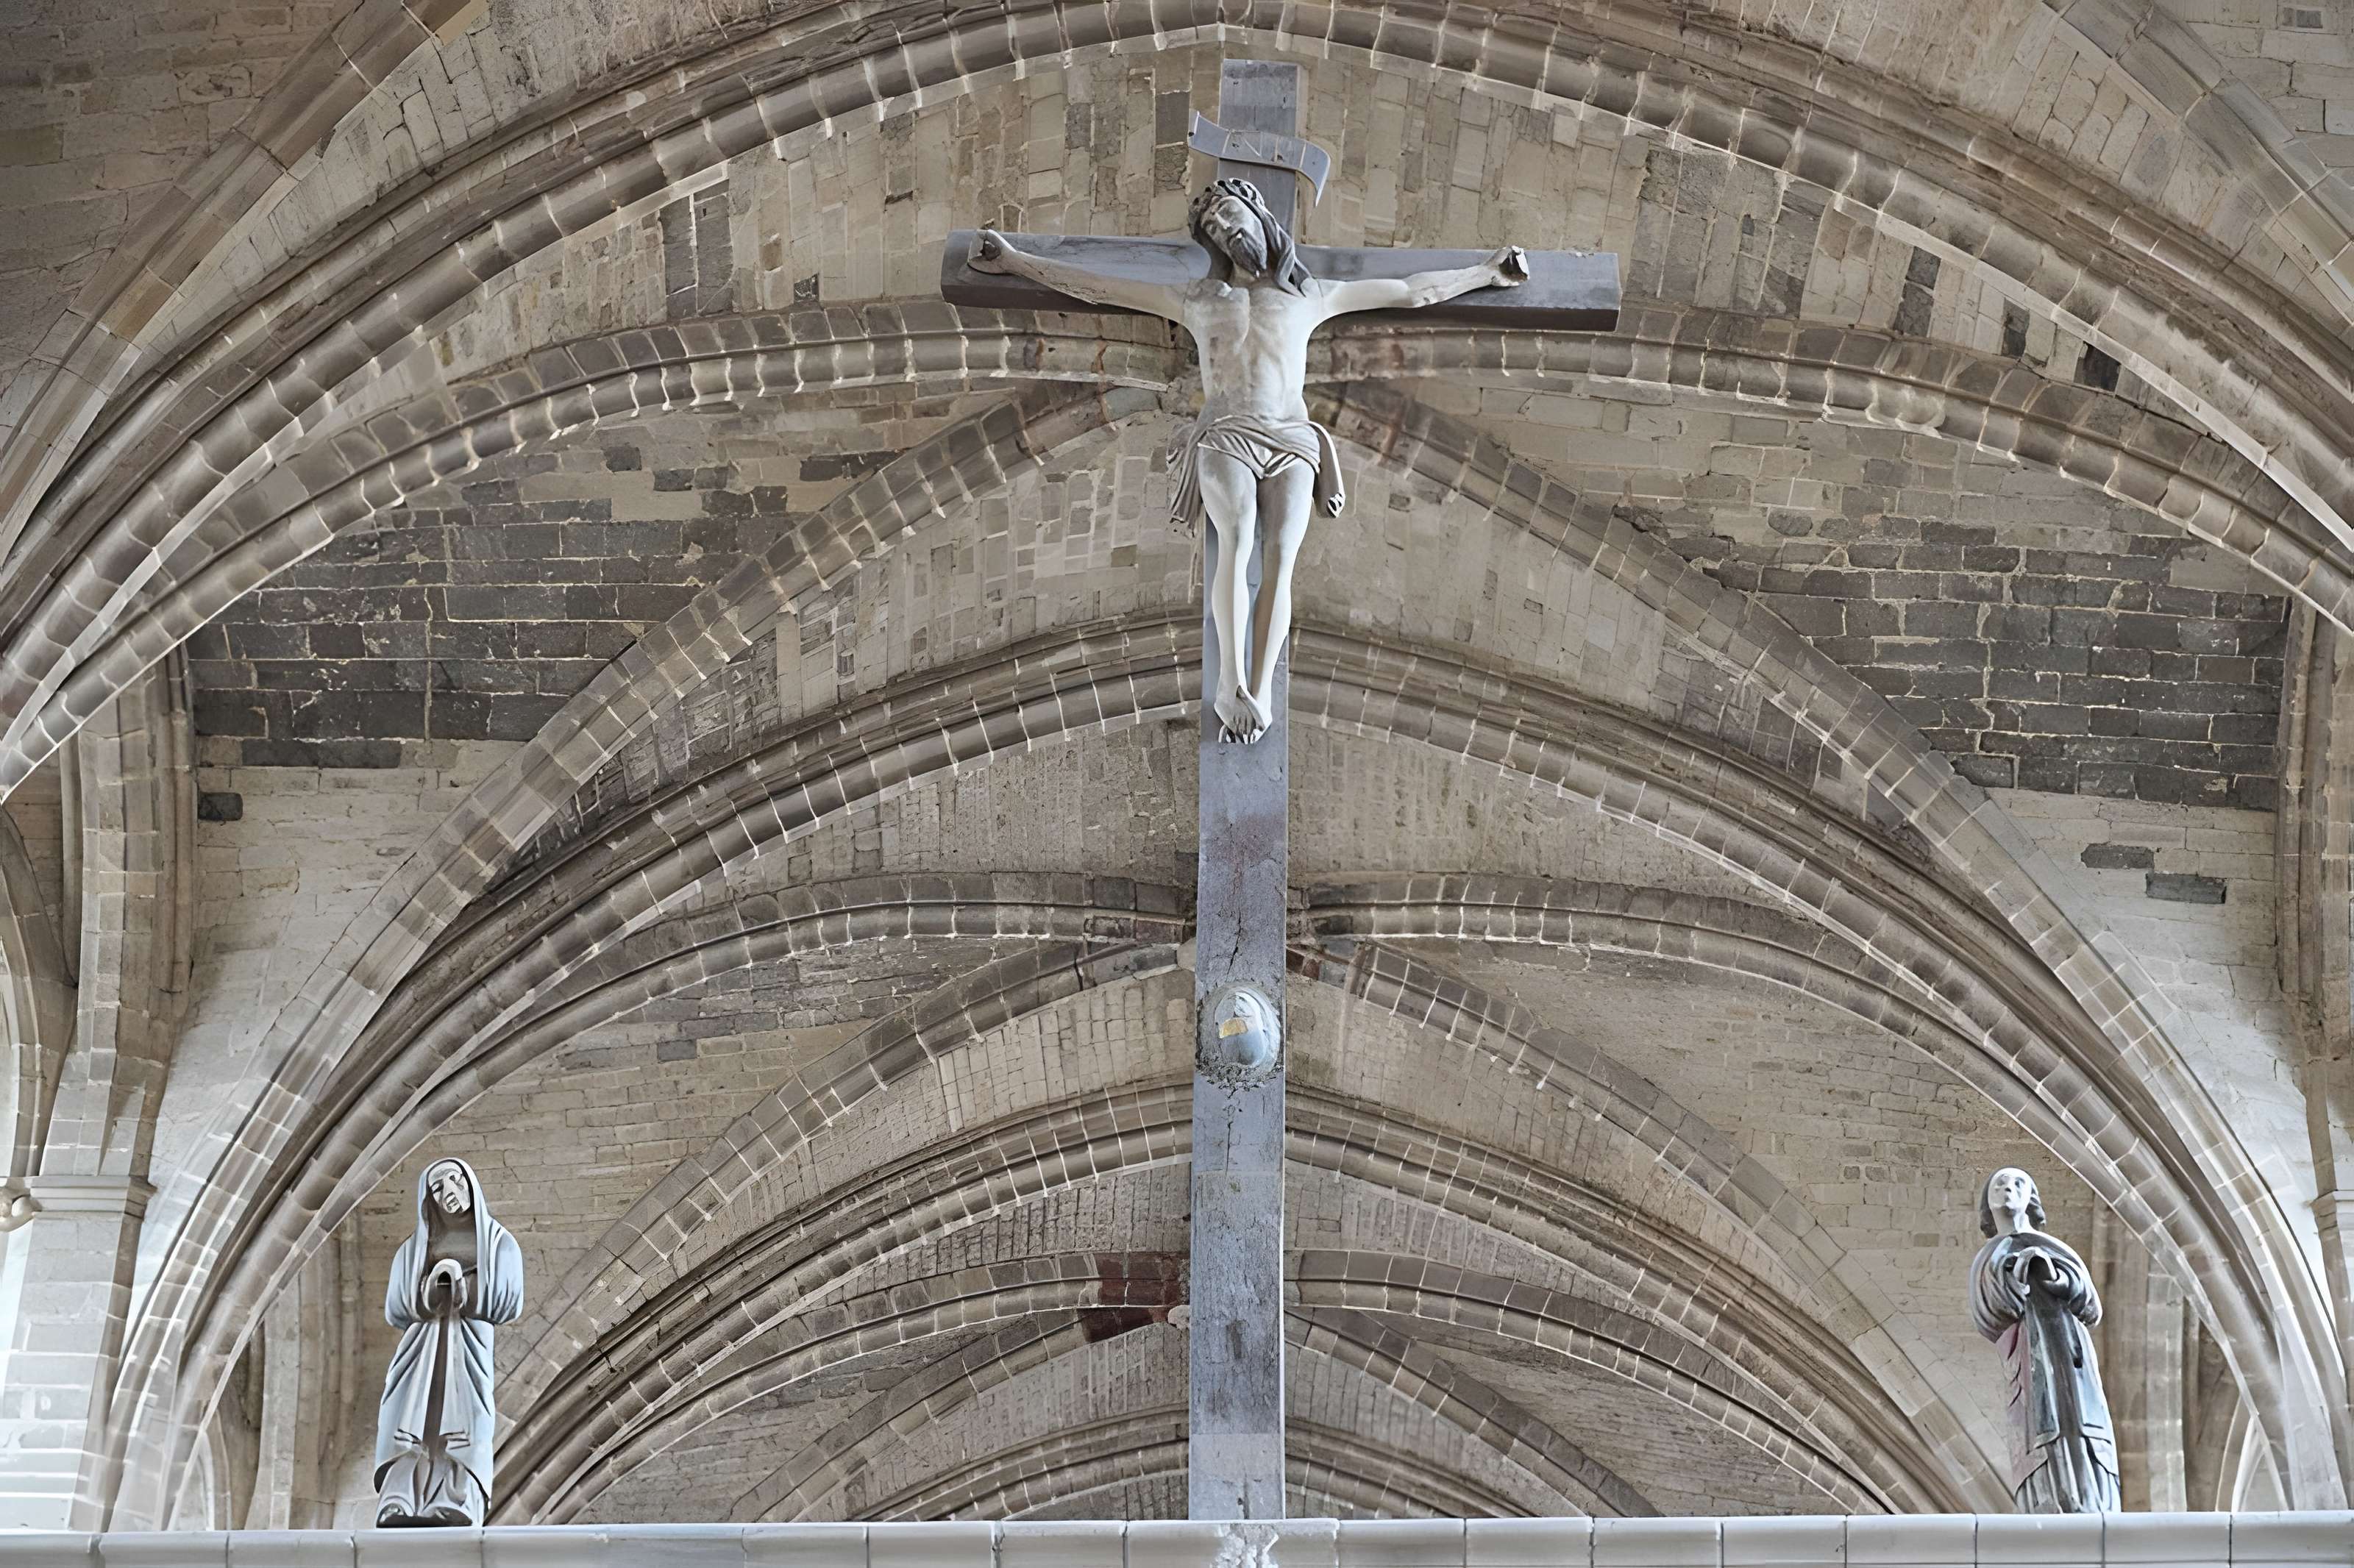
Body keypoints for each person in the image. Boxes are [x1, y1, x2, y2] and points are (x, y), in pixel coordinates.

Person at [971, 180, 1526, 742]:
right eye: (1214, 227)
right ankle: (1229, 683)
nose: (1227, 230)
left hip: (1293, 439)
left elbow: (1410, 292)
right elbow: (1097, 287)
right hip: (1228, 431)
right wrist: (1016, 262)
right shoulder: (1197, 299)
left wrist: (1484, 274)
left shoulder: (1312, 296)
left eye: (1231, 214)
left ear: (1260, 215)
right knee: (1235, 546)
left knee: (1281, 560)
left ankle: (1259, 692)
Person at [375, 1157, 525, 1526]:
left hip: (468, 1342)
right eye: (438, 1188)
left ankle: (455, 1500)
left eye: (455, 1180)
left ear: (470, 1184)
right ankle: (400, 1500)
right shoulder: (414, 1249)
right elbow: (397, 1306)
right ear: (429, 1199)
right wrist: (431, 1288)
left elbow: (508, 1301)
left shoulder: (498, 1244)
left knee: (466, 1420)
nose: (449, 1193)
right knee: (409, 1418)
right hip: (421, 1346)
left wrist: (464, 1286)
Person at [1969, 1166, 2121, 1513]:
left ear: (2030, 1198)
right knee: (2038, 1424)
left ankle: (2091, 1496)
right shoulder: (1988, 1258)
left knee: (2079, 1420)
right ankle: (2050, 1499)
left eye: (2018, 1183)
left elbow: (2090, 1307)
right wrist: (2014, 1275)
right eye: (1999, 1185)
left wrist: (2056, 1276)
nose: (2008, 1188)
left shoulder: (2057, 1248)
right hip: (2028, 1355)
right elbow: (1988, 1314)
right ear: (1988, 1203)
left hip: (2072, 1355)